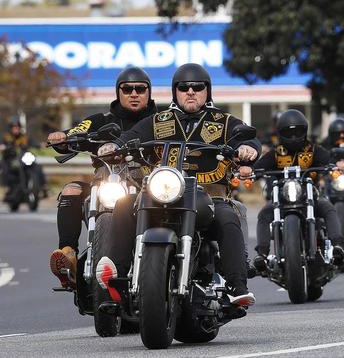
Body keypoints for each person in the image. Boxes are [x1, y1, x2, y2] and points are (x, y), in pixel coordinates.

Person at [96, 63, 259, 306]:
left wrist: (248, 149)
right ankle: (117, 275)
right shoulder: (159, 121)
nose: (190, 92)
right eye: (184, 87)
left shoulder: (223, 121)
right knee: (124, 204)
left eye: (197, 87)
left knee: (227, 216)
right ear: (175, 92)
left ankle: (237, 285)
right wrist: (115, 146)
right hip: (164, 192)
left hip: (209, 196)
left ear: (207, 91)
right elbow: (131, 136)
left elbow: (248, 138)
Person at [46, 67, 157, 289]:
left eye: (140, 89)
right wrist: (63, 138)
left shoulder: (161, 121)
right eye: (127, 89)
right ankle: (69, 256)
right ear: (118, 93)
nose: (133, 93)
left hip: (148, 189)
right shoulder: (101, 120)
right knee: (71, 190)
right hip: (106, 184)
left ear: (148, 93)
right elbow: (76, 132)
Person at [253, 109, 344, 265]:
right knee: (264, 214)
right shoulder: (276, 153)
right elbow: (259, 166)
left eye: (298, 132)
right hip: (282, 200)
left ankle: (337, 245)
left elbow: (329, 160)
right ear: (281, 133)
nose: (294, 137)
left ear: (305, 131)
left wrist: (336, 165)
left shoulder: (314, 150)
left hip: (311, 197)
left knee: (329, 209)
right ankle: (262, 254)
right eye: (289, 133)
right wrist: (250, 170)